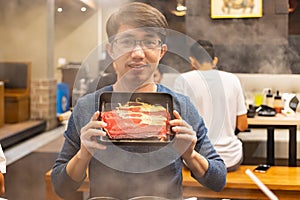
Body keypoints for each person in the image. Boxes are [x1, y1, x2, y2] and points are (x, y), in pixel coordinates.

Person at [51, 3, 226, 199]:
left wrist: (190, 155)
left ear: (161, 51)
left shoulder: (180, 106)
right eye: (126, 42)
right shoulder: (88, 107)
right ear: (111, 50)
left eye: (149, 42)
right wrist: (83, 154)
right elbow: (60, 186)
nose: (138, 53)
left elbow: (218, 180)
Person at [174, 40, 248, 172]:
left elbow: (176, 122)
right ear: (215, 60)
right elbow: (242, 125)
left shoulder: (183, 80)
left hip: (197, 159)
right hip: (230, 159)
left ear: (192, 60)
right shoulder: (233, 79)